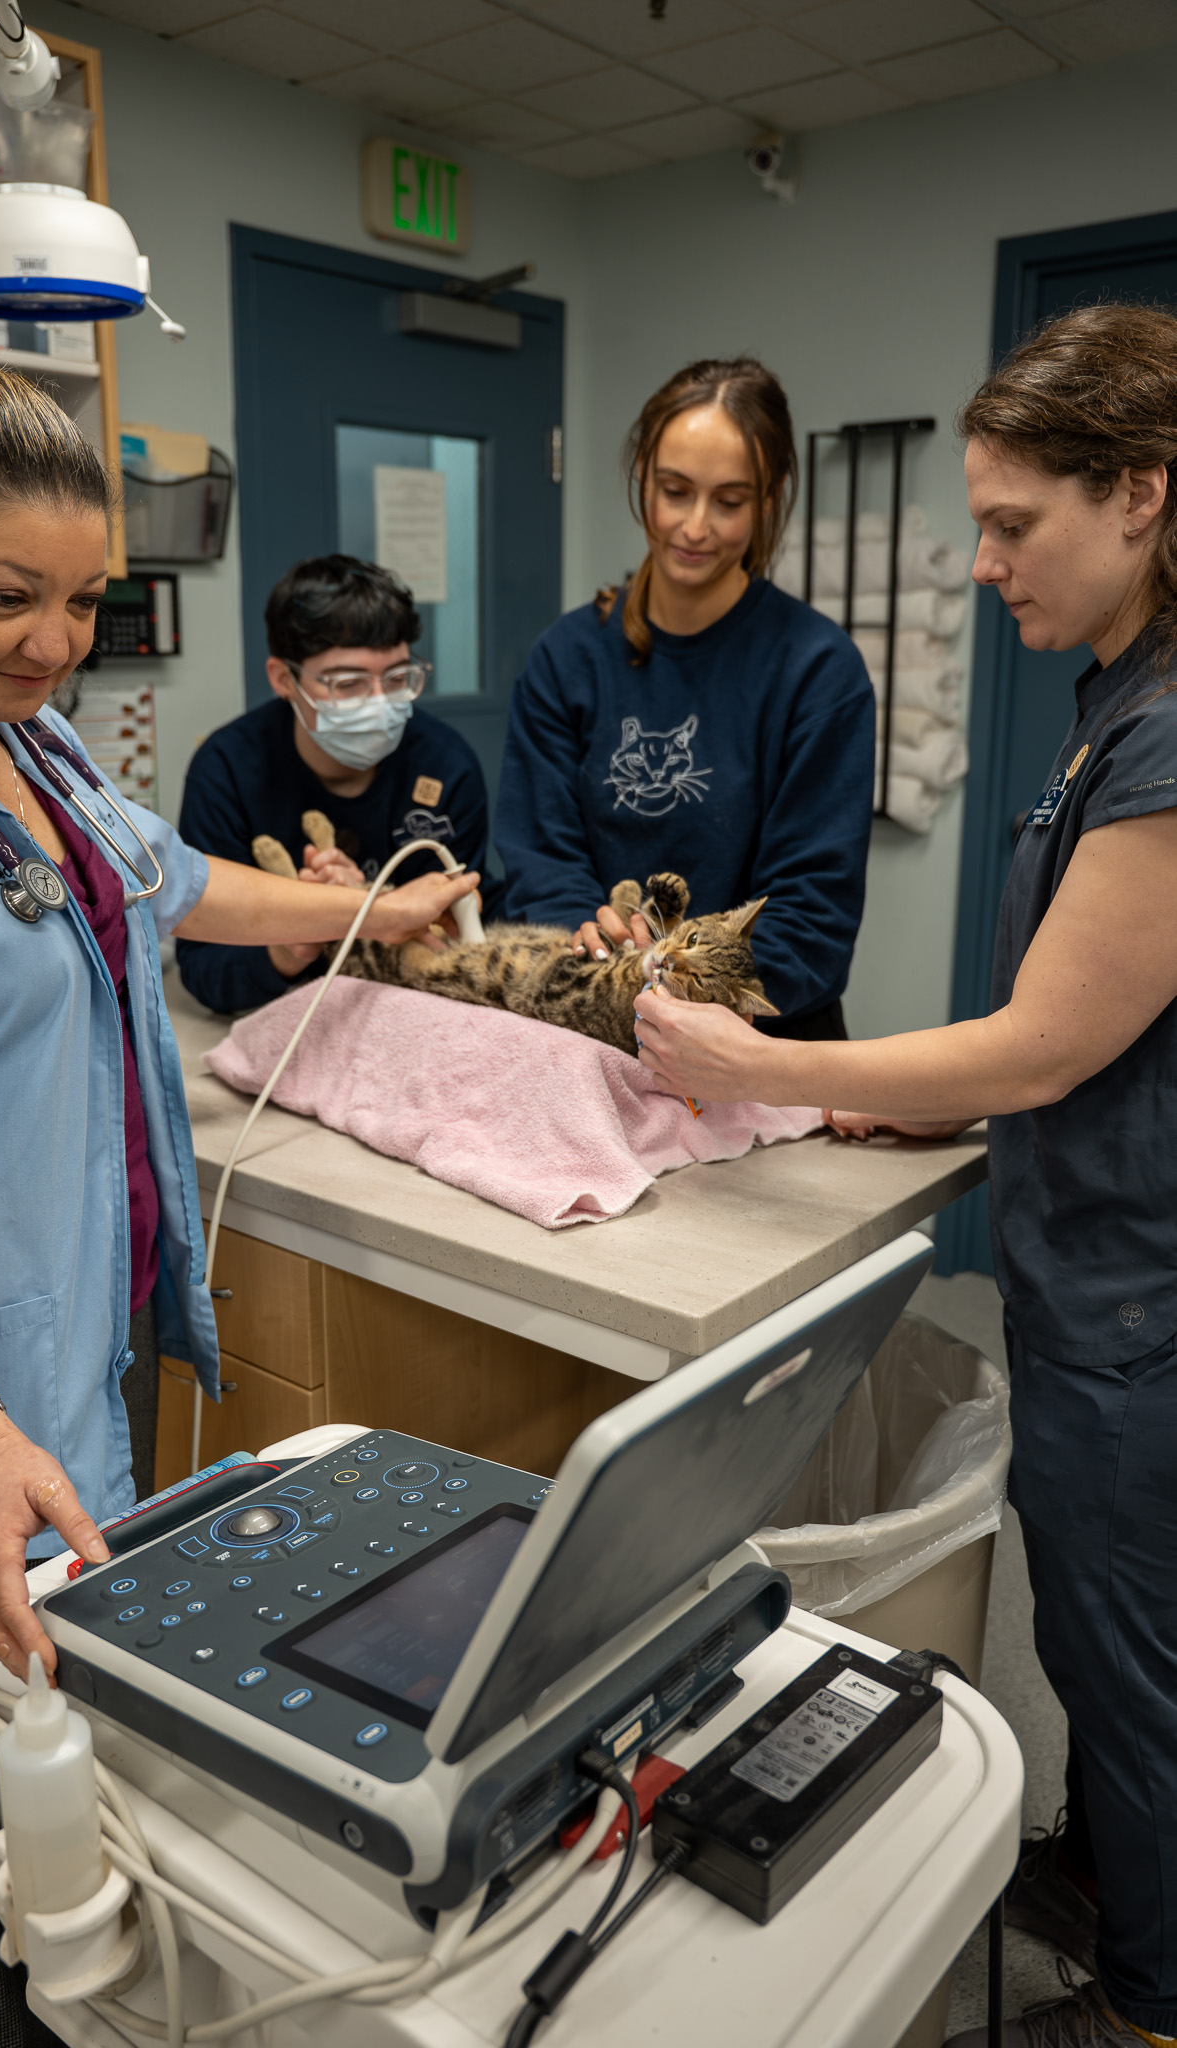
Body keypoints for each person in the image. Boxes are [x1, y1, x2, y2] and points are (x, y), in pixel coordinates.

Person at [0, 350, 478, 2048]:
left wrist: (381, 921)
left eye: (85, 600)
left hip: (74, 1348)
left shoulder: (26, 738)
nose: (51, 641)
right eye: (7, 596)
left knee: (73, 1810)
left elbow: (184, 886)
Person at [633, 304, 1177, 2048]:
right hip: (1088, 1270)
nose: (986, 562)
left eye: (1017, 526)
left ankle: (1154, 1998)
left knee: (1140, 1664)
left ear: (1144, 496)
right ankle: (1118, 1881)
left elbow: (1043, 1044)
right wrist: (919, 1113)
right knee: (1104, 1645)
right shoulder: (1114, 704)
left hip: (1137, 1308)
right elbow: (1077, 1030)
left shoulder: (1169, 740)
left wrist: (770, 1065)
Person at [495, 356, 875, 1039]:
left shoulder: (816, 669)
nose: (695, 526)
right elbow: (539, 862)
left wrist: (684, 994)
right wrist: (596, 953)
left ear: (768, 499)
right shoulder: (567, 658)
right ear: (642, 477)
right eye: (674, 491)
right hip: (591, 1021)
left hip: (756, 1045)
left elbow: (809, 912)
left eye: (728, 502)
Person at [176, 553, 492, 1015]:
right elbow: (204, 970)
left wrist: (379, 909)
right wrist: (289, 945)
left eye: (399, 677)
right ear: (284, 678)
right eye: (349, 684)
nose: (381, 704)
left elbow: (467, 943)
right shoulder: (227, 771)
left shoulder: (447, 766)